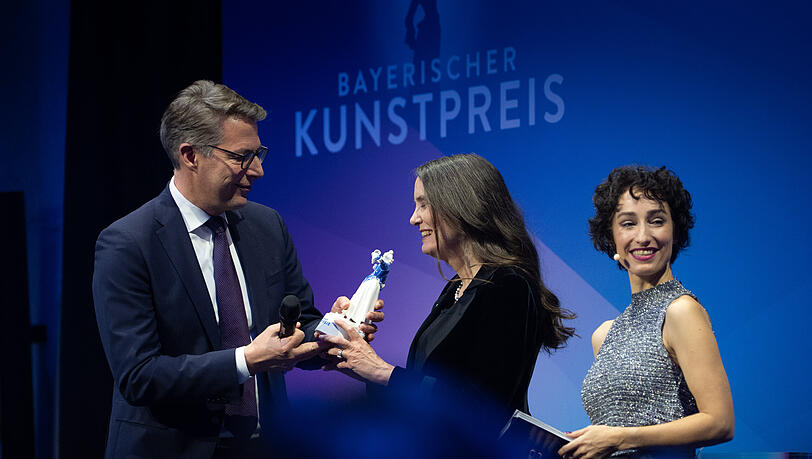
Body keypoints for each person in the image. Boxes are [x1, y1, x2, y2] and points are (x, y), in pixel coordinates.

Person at [92, 80, 382, 458]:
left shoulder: (266, 225)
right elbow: (139, 376)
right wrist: (245, 360)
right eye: (242, 156)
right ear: (190, 155)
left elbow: (298, 326)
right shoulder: (129, 243)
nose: (258, 170)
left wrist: (335, 331)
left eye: (259, 153)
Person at [318, 154, 575, 429]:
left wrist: (383, 372)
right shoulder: (455, 288)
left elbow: (483, 405)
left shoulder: (507, 284)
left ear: (463, 206)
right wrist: (360, 361)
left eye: (424, 205)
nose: (413, 219)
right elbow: (427, 396)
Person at [560, 166, 734, 458]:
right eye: (628, 223)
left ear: (675, 232)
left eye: (656, 221)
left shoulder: (680, 311)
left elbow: (720, 422)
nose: (643, 236)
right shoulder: (604, 335)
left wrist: (619, 438)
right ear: (610, 236)